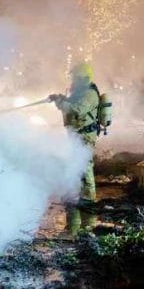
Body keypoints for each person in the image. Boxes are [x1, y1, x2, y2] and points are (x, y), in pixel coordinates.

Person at [49, 61, 100, 205]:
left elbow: (77, 109)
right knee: (75, 163)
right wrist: (60, 98)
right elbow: (71, 103)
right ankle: (74, 193)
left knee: (84, 164)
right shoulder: (79, 92)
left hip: (85, 134)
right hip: (77, 133)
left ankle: (88, 198)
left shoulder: (90, 94)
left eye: (76, 78)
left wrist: (60, 103)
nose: (73, 80)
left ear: (84, 78)